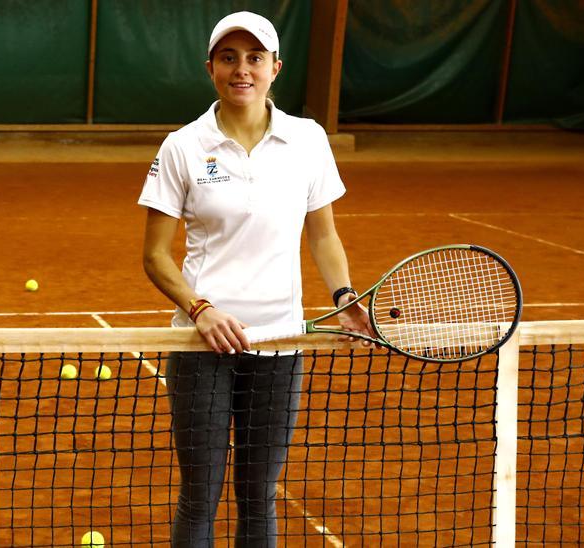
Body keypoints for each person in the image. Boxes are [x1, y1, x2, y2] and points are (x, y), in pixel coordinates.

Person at [137, 11, 374, 547]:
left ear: (274, 69)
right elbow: (155, 256)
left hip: (282, 344)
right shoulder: (183, 146)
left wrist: (344, 296)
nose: (241, 69)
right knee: (200, 497)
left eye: (254, 58)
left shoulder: (309, 140)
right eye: (228, 58)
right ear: (211, 69)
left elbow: (323, 236)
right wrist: (201, 309)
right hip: (202, 346)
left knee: (258, 495)